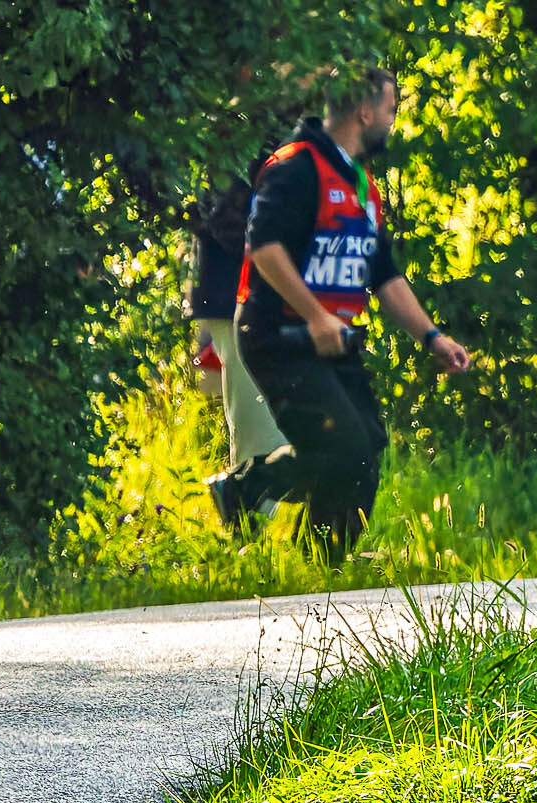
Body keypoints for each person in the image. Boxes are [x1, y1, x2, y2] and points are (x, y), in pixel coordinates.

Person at [205, 67, 472, 561]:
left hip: (330, 338)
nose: (392, 122)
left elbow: (385, 276)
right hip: (277, 333)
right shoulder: (295, 168)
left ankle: (320, 562)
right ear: (364, 112)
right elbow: (264, 248)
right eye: (391, 110)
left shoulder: (360, 184)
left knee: (365, 448)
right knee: (343, 446)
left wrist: (433, 337)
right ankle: (253, 492)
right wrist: (315, 316)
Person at [190, 161, 287, 471]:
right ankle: (252, 499)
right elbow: (224, 220)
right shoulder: (239, 144)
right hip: (238, 299)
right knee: (261, 440)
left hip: (273, 299)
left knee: (282, 431)